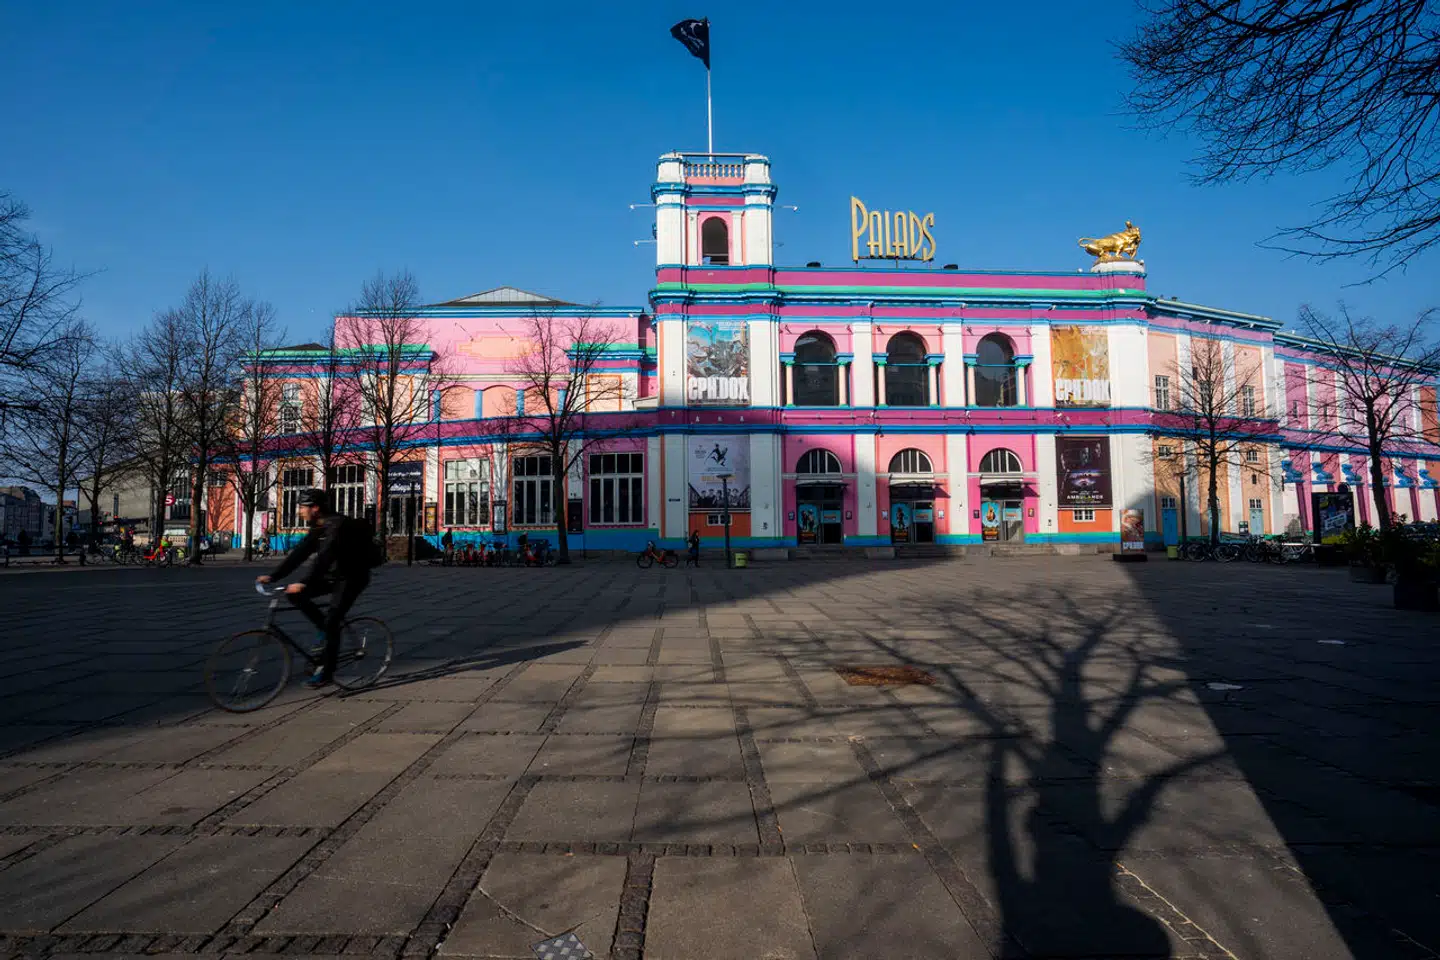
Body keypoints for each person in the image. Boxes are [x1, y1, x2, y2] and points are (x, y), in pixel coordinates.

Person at [257, 488, 375, 688]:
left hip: (352, 577)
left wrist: (304, 582)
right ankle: (324, 630)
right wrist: (273, 576)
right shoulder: (319, 527)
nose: (299, 512)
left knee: (332, 621)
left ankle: (327, 673)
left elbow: (324, 558)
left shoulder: (336, 526)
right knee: (294, 596)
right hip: (335, 575)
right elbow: (300, 554)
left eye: (302, 507)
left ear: (315, 508)